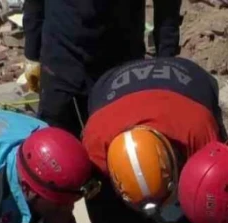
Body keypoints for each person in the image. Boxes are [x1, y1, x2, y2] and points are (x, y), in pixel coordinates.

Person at [81, 56, 228, 223]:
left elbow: (219, 203)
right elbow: (103, 218)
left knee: (208, 212)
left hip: (189, 82)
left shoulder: (198, 134)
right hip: (109, 87)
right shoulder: (94, 149)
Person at [22, 0, 183, 135]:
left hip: (120, 70)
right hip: (61, 61)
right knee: (55, 153)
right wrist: (32, 53)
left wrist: (165, 62)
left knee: (119, 155)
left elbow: (167, 10)